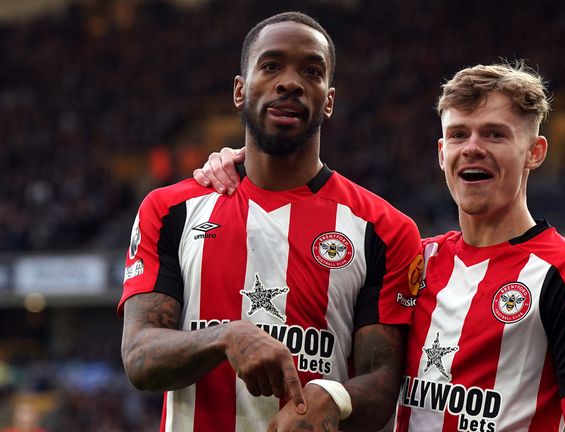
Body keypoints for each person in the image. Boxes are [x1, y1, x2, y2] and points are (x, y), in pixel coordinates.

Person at [197, 62, 565, 431]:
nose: (473, 148)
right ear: (442, 153)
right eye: (459, 135)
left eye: (495, 135)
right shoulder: (411, 260)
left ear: (534, 152)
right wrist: (252, 162)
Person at [120, 11, 422, 432]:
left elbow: (385, 382)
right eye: (271, 65)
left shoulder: (384, 229)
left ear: (328, 100)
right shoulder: (169, 209)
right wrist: (226, 337)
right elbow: (138, 358)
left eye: (311, 71)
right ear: (240, 91)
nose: (290, 82)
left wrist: (333, 398)